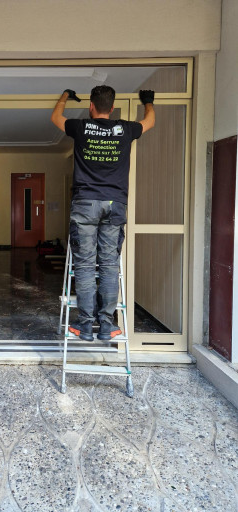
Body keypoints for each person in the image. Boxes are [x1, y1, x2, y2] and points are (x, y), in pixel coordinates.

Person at [51, 85, 155, 341]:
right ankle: (107, 326)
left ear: (91, 107)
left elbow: (55, 118)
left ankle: (85, 326)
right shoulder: (126, 129)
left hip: (85, 203)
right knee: (108, 266)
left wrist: (65, 96)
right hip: (114, 204)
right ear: (112, 107)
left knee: (85, 267)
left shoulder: (81, 127)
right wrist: (148, 102)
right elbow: (150, 121)